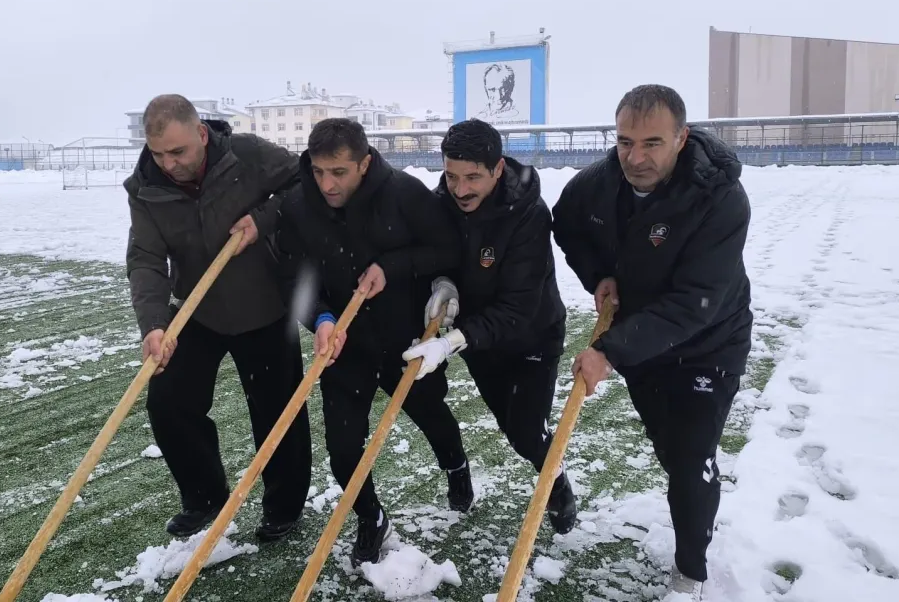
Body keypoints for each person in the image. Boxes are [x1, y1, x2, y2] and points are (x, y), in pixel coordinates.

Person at [550, 84, 753, 599]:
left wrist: (609, 352)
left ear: (682, 138)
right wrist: (598, 274)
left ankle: (690, 572)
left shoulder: (719, 197)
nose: (635, 158)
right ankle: (689, 476)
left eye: (652, 144)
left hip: (708, 342)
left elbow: (697, 300)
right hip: (641, 338)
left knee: (688, 457)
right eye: (624, 142)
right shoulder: (598, 184)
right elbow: (566, 225)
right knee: (668, 443)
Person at [274, 118, 471, 566]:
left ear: (364, 164)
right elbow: (292, 278)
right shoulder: (298, 205)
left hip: (405, 338)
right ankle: (370, 515)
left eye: (338, 172)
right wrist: (320, 317)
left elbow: (446, 249)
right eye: (319, 171)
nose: (327, 184)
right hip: (344, 345)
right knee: (343, 449)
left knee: (432, 416)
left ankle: (456, 466)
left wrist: (390, 266)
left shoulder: (404, 193)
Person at [124, 93, 312, 543]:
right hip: (196, 309)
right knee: (168, 402)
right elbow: (146, 259)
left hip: (264, 304)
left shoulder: (248, 155)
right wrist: (155, 325)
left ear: (202, 134)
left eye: (178, 151)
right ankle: (204, 496)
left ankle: (283, 506)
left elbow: (305, 183)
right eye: (158, 153)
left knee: (277, 410)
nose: (169, 164)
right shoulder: (145, 187)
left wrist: (263, 219)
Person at [401, 118, 578, 535]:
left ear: (498, 169)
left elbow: (519, 306)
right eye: (451, 176)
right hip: (481, 343)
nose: (460, 189)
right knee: (510, 424)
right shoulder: (440, 204)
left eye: (473, 177)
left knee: (526, 432)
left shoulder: (529, 214)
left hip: (532, 335)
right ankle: (545, 462)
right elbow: (434, 255)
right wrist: (441, 282)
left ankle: (557, 484)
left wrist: (450, 343)